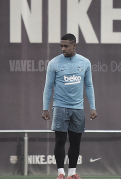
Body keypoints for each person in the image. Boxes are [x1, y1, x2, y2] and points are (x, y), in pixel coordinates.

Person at [42, 33, 97, 179]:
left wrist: (93, 107)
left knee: (75, 142)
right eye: (61, 46)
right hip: (60, 107)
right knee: (60, 141)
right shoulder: (54, 63)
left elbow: (89, 85)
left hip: (78, 108)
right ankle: (61, 172)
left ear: (74, 45)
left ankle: (72, 173)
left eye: (66, 46)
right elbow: (48, 87)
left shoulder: (85, 62)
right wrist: (45, 108)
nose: (63, 49)